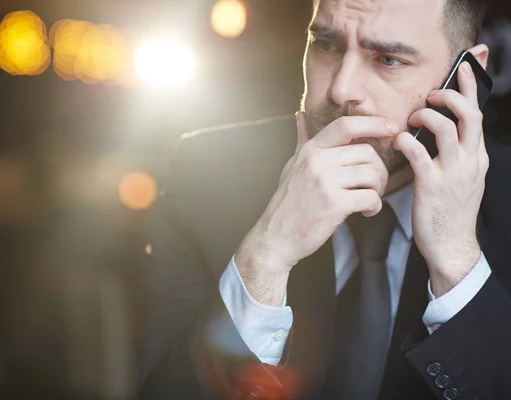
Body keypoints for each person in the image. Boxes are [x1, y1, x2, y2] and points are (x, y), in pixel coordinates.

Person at [138, 0, 511, 399]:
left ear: (467, 73)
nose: (341, 89)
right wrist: (266, 253)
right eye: (326, 45)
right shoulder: (207, 173)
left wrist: (457, 264)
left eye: (388, 59)